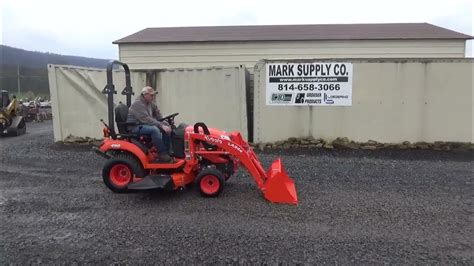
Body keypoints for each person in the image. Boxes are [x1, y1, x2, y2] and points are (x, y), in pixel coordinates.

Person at [126, 86, 172, 163]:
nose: (153, 97)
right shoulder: (138, 104)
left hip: (143, 124)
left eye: (153, 95)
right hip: (135, 126)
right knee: (154, 130)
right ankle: (162, 154)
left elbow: (158, 116)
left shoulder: (150, 103)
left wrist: (165, 122)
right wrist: (161, 125)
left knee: (165, 125)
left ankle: (168, 151)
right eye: (151, 95)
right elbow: (146, 119)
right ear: (145, 95)